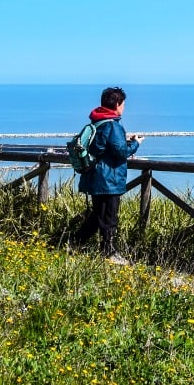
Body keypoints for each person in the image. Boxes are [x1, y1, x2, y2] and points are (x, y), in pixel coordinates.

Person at [72, 86, 143, 263]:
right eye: (123, 104)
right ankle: (109, 253)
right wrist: (136, 143)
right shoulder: (113, 125)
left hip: (94, 176)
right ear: (117, 104)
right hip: (108, 179)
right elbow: (121, 152)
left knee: (97, 216)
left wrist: (124, 141)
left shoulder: (97, 121)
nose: (124, 108)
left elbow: (101, 146)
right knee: (109, 217)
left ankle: (73, 244)